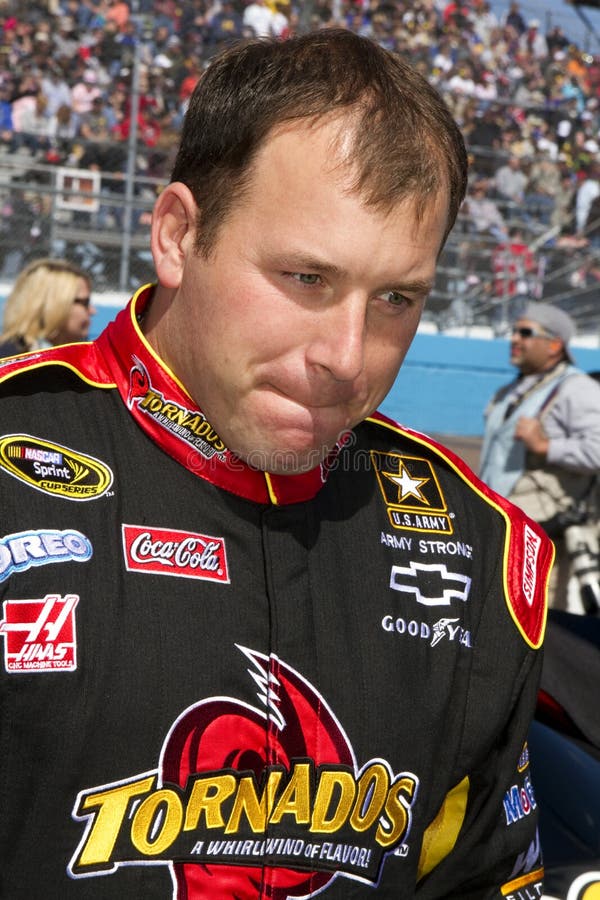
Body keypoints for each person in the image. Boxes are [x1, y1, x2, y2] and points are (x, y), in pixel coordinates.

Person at [0, 31, 552, 899]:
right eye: (305, 278)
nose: (346, 355)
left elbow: (483, 877)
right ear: (178, 235)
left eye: (397, 298)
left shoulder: (474, 543)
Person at [480, 301, 600, 612]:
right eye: (513, 331)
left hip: (544, 537)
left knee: (536, 620)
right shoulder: (511, 389)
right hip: (503, 528)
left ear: (555, 345)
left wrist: (547, 446)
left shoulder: (577, 388)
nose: (514, 338)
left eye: (525, 332)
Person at [0, 257, 95, 357]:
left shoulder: (69, 359)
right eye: (85, 303)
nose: (93, 311)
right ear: (53, 305)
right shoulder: (9, 359)